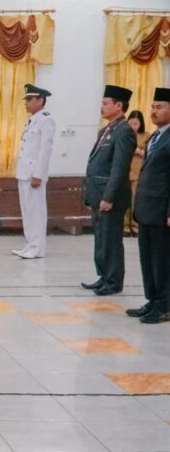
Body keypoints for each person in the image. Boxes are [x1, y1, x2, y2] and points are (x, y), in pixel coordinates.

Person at [81, 85, 136, 296]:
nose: (102, 107)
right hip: (98, 195)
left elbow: (119, 168)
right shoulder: (106, 130)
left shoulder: (124, 131)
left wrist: (108, 196)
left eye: (106, 103)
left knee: (111, 239)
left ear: (119, 106)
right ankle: (104, 276)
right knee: (101, 238)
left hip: (110, 197)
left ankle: (113, 281)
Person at [127, 87, 170, 324]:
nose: (154, 111)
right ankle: (152, 299)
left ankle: (164, 305)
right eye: (153, 107)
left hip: (162, 210)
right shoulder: (155, 136)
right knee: (148, 258)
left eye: (160, 107)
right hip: (147, 209)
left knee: (162, 259)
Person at [13, 84, 55, 259]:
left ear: (40, 100)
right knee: (27, 210)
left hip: (33, 175)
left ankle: (37, 248)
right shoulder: (32, 120)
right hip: (24, 172)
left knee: (36, 212)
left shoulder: (46, 120)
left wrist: (38, 174)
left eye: (30, 99)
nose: (27, 103)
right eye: (26, 100)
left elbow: (45, 150)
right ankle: (30, 244)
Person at [125, 110, 150, 236]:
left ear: (141, 124)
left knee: (135, 200)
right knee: (124, 200)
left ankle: (135, 225)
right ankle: (124, 226)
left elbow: (150, 153)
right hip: (124, 171)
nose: (133, 126)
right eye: (131, 123)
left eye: (136, 124)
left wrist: (140, 151)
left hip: (139, 171)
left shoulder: (146, 135)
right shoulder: (124, 134)